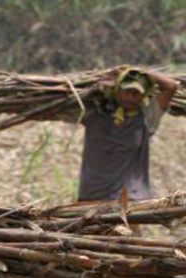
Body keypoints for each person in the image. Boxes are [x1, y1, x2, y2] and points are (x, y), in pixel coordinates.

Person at [76, 67, 178, 202]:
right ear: (117, 90)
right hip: (92, 197)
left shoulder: (147, 117)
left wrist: (138, 70)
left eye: (136, 93)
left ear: (144, 96)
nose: (130, 97)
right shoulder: (92, 112)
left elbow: (171, 87)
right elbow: (56, 107)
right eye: (126, 91)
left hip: (131, 199)